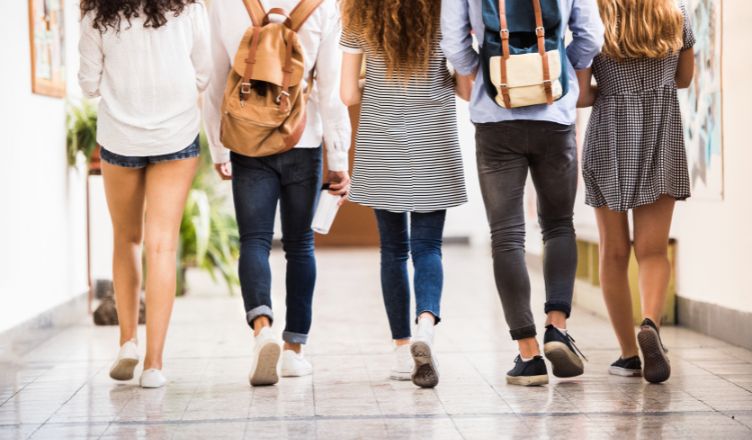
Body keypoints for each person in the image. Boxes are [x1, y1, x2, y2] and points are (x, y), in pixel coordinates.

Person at [441, 0, 603, 386]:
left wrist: (483, 72)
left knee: (507, 235)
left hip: (495, 118)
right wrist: (560, 63)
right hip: (554, 112)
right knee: (559, 225)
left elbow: (452, 40)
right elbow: (591, 36)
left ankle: (528, 354)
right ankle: (557, 327)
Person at [203, 0, 351, 386]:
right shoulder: (323, 6)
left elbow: (216, 80)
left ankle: (262, 328)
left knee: (253, 240)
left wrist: (220, 148)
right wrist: (339, 158)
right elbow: (331, 90)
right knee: (300, 245)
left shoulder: (226, 5)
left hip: (247, 139)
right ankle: (293, 351)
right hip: (304, 138)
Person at [78, 0, 211, 388]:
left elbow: (88, 85)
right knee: (162, 246)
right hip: (176, 133)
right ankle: (154, 365)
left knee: (126, 238)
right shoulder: (189, 11)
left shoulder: (95, 17)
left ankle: (127, 343)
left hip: (120, 137)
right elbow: (203, 74)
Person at [340, 0, 468, 388]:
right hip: (434, 137)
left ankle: (401, 348)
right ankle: (425, 326)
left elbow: (347, 94)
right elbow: (465, 88)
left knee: (393, 250)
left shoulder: (360, 14)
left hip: (382, 140)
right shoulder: (445, 12)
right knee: (428, 247)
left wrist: (376, 82)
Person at [577, 0, 695, 384]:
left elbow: (580, 95)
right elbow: (683, 79)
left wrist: (613, 91)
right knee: (653, 250)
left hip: (609, 136)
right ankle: (650, 325)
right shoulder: (677, 14)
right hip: (662, 131)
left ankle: (629, 354)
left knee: (614, 251)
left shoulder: (595, 18)